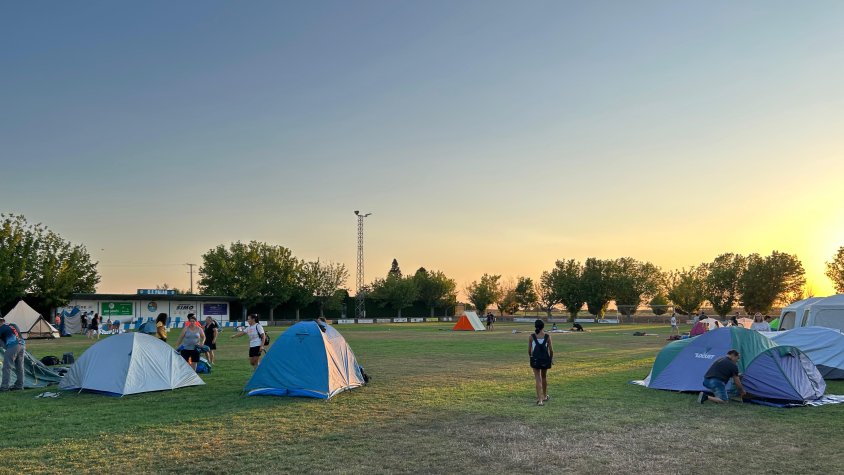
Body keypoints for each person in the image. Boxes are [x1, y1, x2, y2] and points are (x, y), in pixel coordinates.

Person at [528, 319, 553, 406]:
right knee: (544, 377)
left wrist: (531, 357)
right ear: (543, 326)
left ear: (535, 326)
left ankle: (540, 400)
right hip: (545, 359)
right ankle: (545, 396)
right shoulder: (547, 336)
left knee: (538, 378)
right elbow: (551, 350)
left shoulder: (531, 336)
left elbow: (529, 351)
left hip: (535, 359)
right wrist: (551, 359)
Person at [0, 317, 26, 392]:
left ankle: (4, 387)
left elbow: (2, 344)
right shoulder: (11, 325)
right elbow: (20, 335)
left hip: (13, 346)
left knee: (7, 367)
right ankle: (19, 386)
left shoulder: (1, 329)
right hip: (22, 345)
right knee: (19, 367)